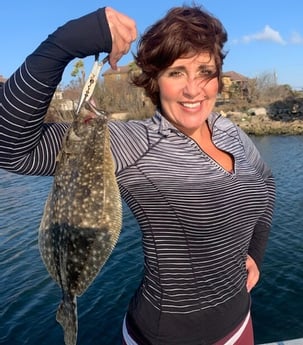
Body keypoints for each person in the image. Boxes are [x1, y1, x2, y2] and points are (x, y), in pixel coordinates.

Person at [0, 4, 275, 345]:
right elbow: (11, 149)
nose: (193, 89)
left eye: (205, 71)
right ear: (154, 81)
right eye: (176, 72)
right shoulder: (133, 142)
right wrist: (64, 43)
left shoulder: (230, 131)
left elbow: (266, 185)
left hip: (240, 322)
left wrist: (255, 253)